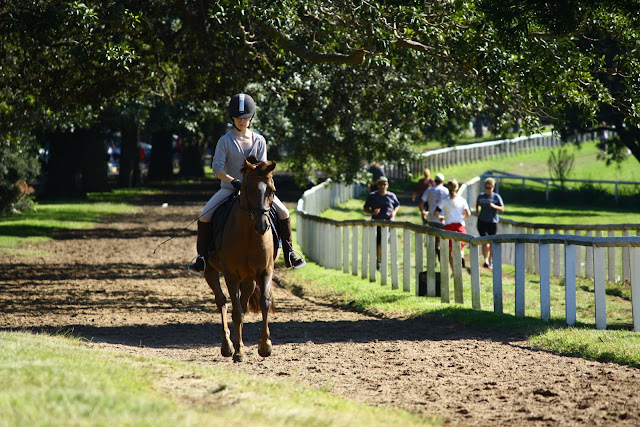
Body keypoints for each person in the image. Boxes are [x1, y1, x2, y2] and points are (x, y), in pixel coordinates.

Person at [188, 93, 306, 273]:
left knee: (283, 212)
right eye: (238, 118)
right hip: (230, 189)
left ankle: (290, 253)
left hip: (256, 192)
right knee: (204, 215)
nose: (242, 121)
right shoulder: (225, 141)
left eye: (245, 118)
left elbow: (264, 168)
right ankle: (202, 258)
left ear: (251, 117)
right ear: (232, 118)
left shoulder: (259, 140)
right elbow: (217, 168)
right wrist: (233, 181)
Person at [363, 176, 400, 270]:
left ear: (387, 185)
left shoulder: (391, 196)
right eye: (380, 184)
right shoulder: (373, 196)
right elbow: (365, 208)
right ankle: (379, 260)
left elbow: (397, 205)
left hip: (389, 223)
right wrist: (372, 212)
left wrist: (394, 212)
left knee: (387, 242)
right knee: (379, 242)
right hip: (377, 222)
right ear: (377, 185)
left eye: (384, 184)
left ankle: (387, 261)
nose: (382, 186)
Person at [436, 178, 471, 270]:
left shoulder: (444, 200)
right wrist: (462, 218)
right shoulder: (462, 200)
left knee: (451, 251)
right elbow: (468, 213)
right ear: (457, 187)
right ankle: (461, 256)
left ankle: (454, 270)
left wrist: (441, 218)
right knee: (460, 247)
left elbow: (436, 213)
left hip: (449, 225)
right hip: (460, 225)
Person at [475, 177, 505, 268]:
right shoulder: (481, 196)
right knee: (485, 240)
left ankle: (491, 260)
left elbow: (502, 209)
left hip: (493, 222)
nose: (488, 190)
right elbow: (477, 204)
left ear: (493, 187)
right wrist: (477, 211)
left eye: (490, 188)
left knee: (492, 242)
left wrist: (494, 206)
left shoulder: (496, 197)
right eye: (486, 188)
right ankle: (486, 260)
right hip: (482, 221)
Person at [418, 173, 448, 259]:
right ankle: (440, 256)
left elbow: (421, 204)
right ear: (442, 181)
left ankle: (433, 260)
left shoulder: (429, 190)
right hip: (442, 218)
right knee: (441, 239)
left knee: (432, 240)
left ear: (434, 181)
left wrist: (423, 212)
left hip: (431, 218)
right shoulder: (446, 191)